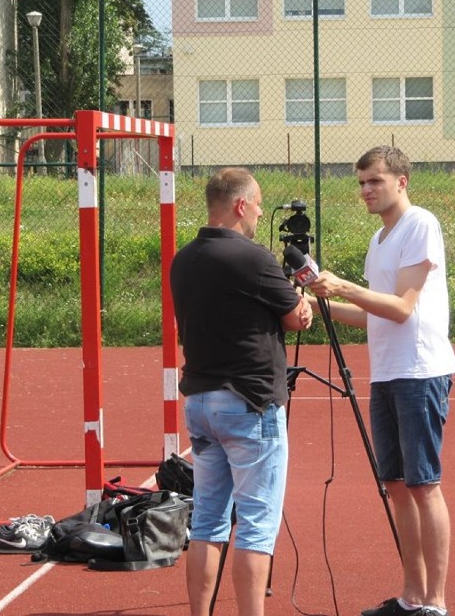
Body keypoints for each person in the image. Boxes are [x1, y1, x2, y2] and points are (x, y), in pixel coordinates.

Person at [307, 146, 455, 616]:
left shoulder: (420, 225)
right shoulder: (379, 240)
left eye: (374, 181)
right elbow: (374, 316)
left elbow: (401, 308)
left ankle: (435, 601)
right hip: (388, 371)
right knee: (395, 484)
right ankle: (412, 595)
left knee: (423, 485)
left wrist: (345, 286)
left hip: (421, 370)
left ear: (401, 181)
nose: (366, 190)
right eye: (360, 183)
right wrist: (318, 304)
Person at [169, 167, 313, 616]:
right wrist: (303, 300)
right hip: (250, 402)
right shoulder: (252, 257)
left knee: (208, 522)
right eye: (255, 204)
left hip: (201, 402)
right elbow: (296, 318)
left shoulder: (183, 258)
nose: (256, 213)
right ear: (239, 205)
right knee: (256, 526)